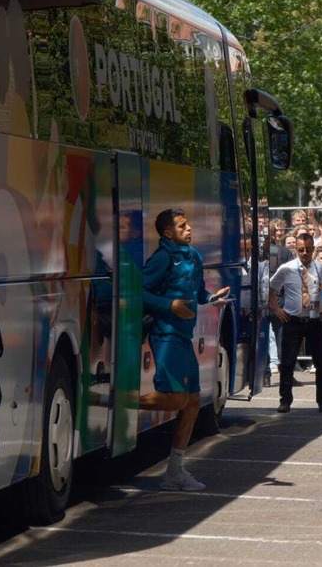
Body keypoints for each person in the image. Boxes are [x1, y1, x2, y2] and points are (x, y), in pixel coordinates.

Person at [142, 209, 230, 491]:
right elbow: (139, 291)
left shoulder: (193, 256)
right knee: (176, 399)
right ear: (168, 233)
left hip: (184, 337)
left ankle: (174, 472)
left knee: (192, 404)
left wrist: (211, 298)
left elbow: (197, 292)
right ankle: (121, 401)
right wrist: (169, 306)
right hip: (166, 336)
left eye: (188, 223)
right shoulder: (162, 258)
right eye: (182, 226)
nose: (190, 228)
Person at [268, 233, 322, 413]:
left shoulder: (320, 267)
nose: (305, 253)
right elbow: (272, 288)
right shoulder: (287, 268)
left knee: (321, 363)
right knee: (287, 362)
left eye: (308, 249)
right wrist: (276, 308)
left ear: (313, 249)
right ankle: (285, 400)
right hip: (293, 320)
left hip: (315, 320)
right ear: (296, 249)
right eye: (301, 250)